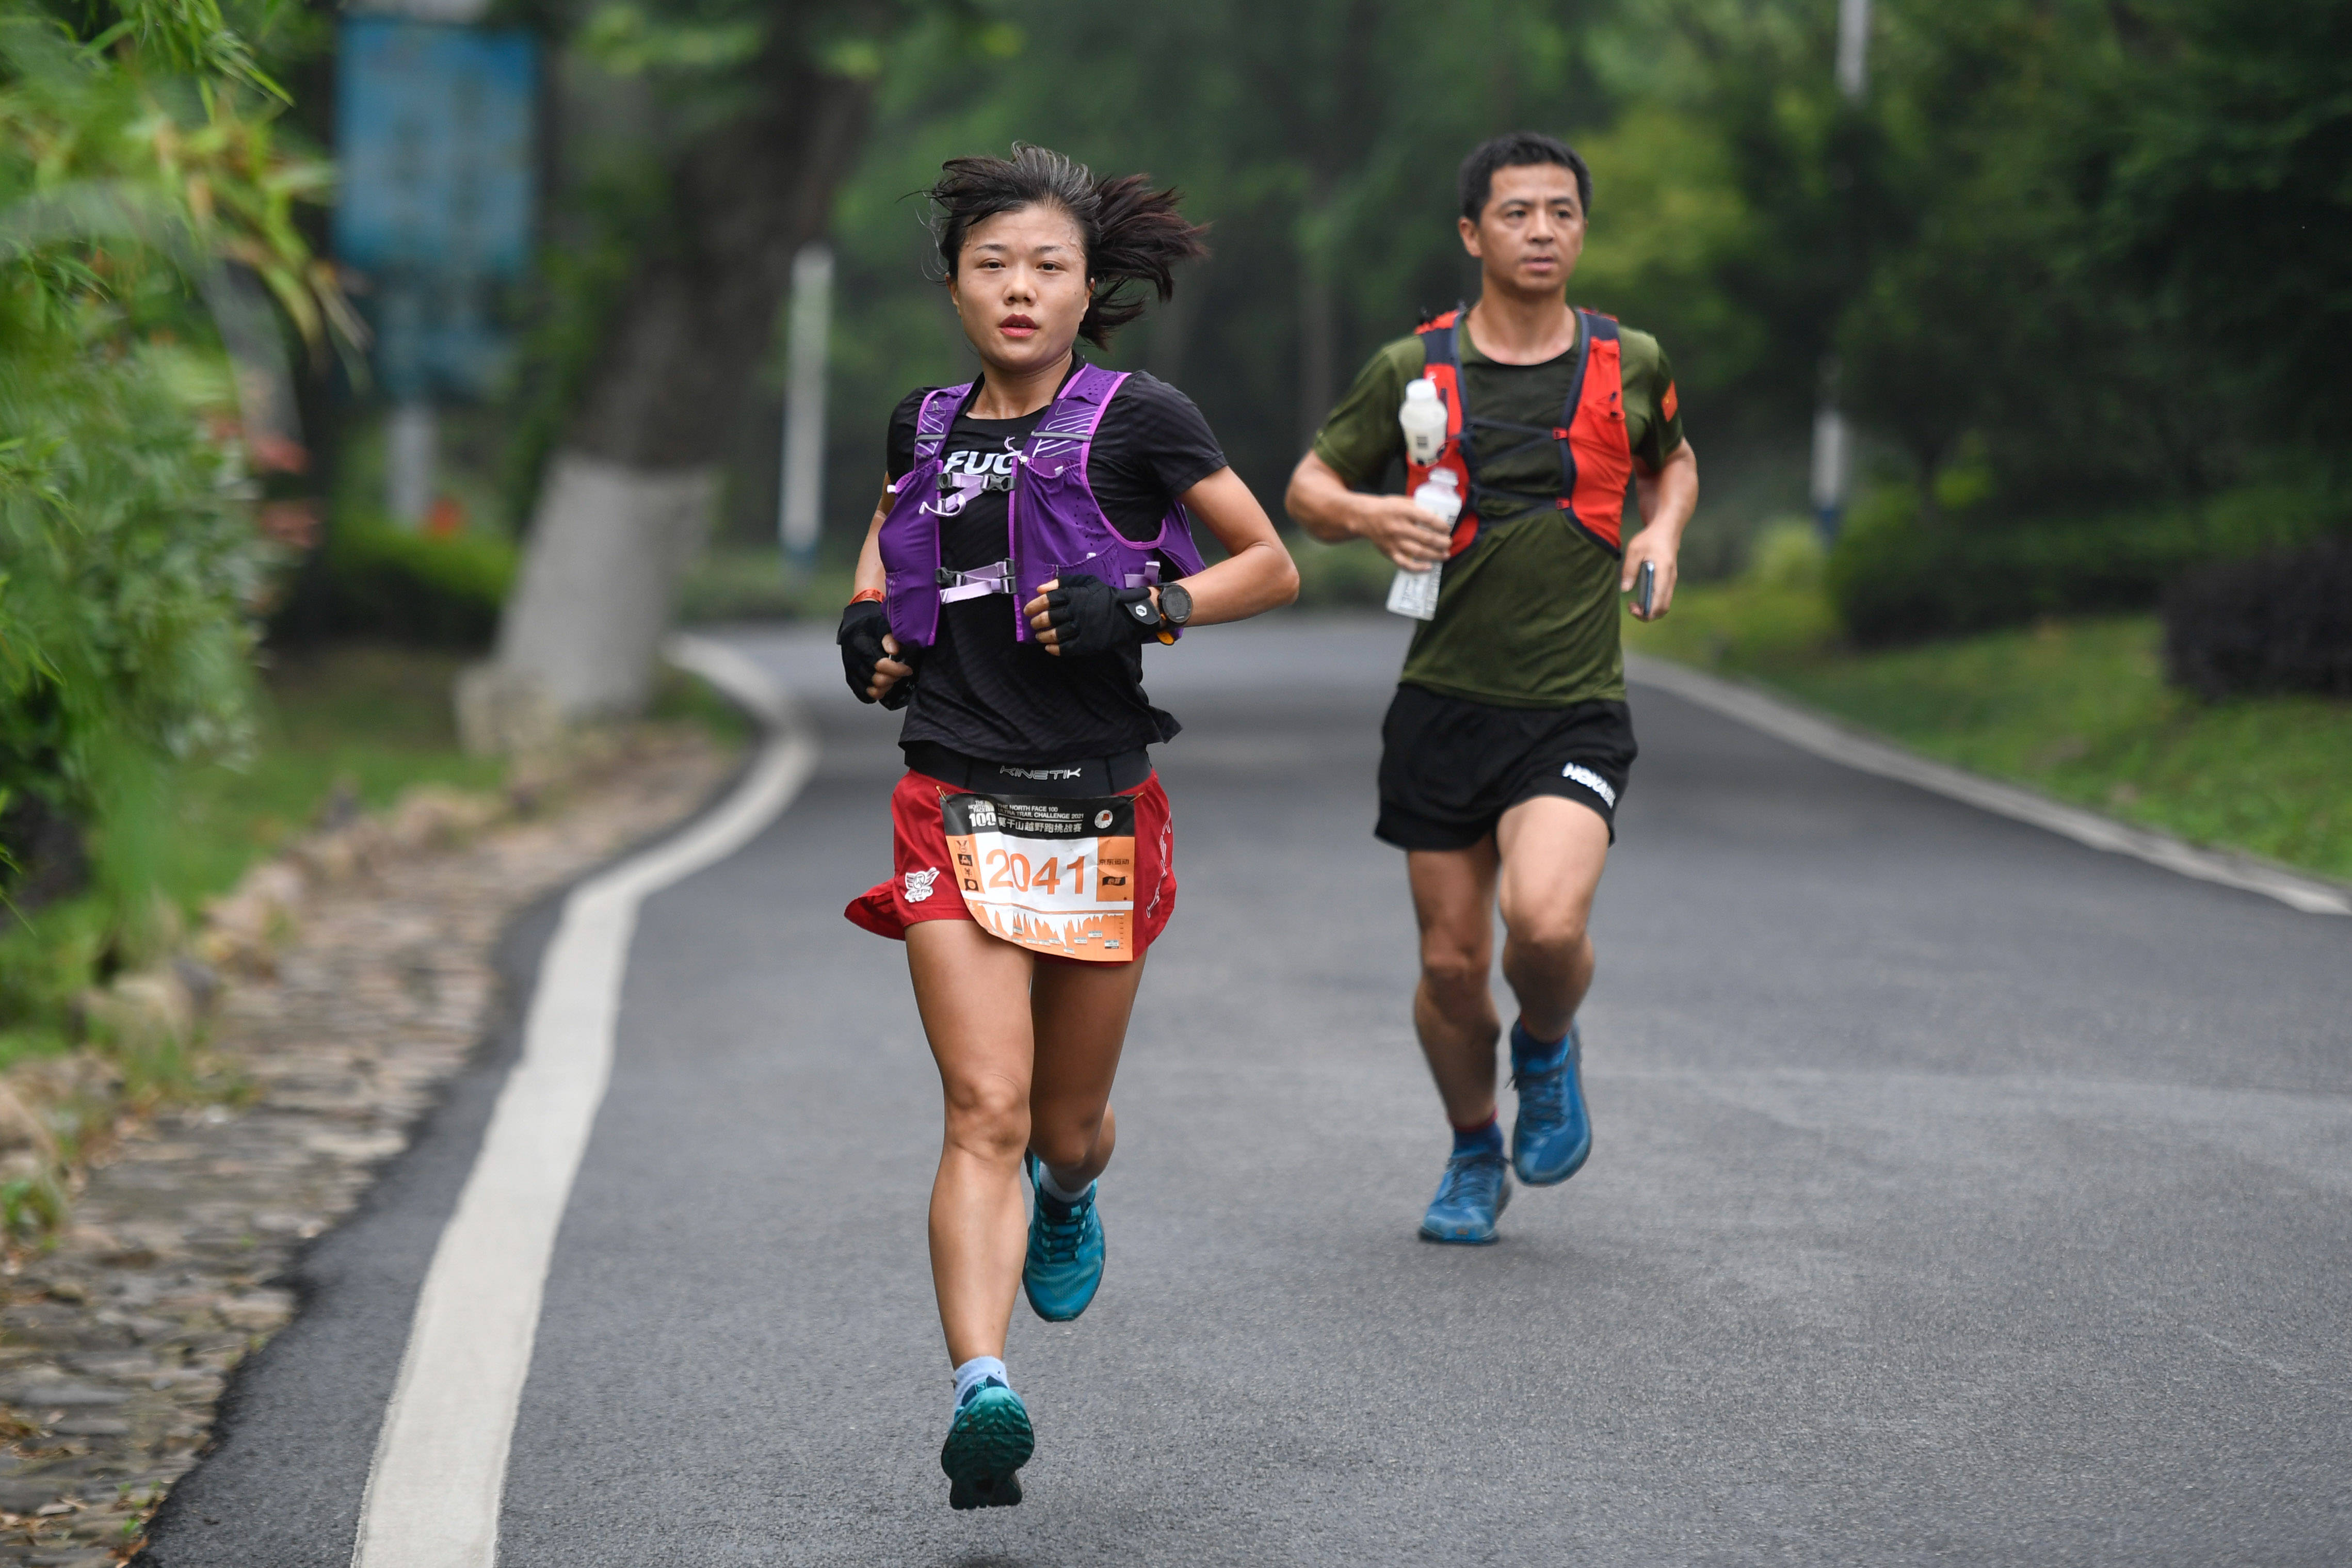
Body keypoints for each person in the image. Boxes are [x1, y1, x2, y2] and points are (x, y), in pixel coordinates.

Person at [837, 145, 1298, 1510]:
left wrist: (1145, 608)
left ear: (1088, 284)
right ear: (954, 285)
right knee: (979, 1105)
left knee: (1064, 1122)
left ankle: (1072, 1189)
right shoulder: (920, 424)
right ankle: (981, 1386)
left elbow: (1268, 567)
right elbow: (888, 546)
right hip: (949, 800)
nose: (1019, 289)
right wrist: (869, 628)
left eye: (1046, 266)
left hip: (1094, 805)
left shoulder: (1139, 418)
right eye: (993, 265)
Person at [1284, 131, 1698, 1246]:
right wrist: (1372, 515)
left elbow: (1672, 458)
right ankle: (1474, 1148)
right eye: (1516, 213)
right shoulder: (1413, 371)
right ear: (1472, 233)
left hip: (1572, 706)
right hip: (1440, 705)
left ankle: (1547, 1045)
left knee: (1544, 923)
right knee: (1451, 964)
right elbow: (1309, 486)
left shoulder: (1628, 361)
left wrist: (1657, 530)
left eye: (1561, 212)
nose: (1541, 232)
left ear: (1580, 228)